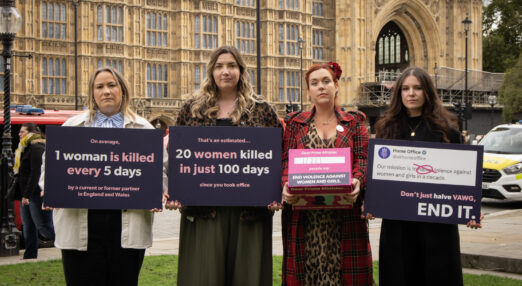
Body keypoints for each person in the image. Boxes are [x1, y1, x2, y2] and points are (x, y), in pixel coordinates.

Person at [39, 66, 168, 286]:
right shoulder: (71, 127)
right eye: (100, 86)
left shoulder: (144, 128)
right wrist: (49, 189)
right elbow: (49, 168)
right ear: (92, 93)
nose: (106, 91)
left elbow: (161, 170)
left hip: (127, 223)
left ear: (123, 90)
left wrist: (158, 192)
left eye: (111, 85)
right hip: (80, 221)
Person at [167, 46, 282, 286]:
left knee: (247, 276)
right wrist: (174, 191)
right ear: (211, 71)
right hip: (204, 213)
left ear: (241, 70)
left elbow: (278, 159)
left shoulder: (262, 109)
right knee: (203, 276)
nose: (225, 71)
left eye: (231, 65)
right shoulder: (191, 109)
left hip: (249, 213)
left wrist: (276, 192)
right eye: (219, 66)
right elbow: (178, 159)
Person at [373, 66, 482, 286]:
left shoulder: (446, 130)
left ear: (427, 92)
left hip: (436, 229)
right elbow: (379, 181)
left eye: (417, 88)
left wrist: (470, 209)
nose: (411, 93)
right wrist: (372, 202)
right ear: (399, 93)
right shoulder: (387, 129)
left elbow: (461, 181)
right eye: (405, 88)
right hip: (398, 228)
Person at [281, 62, 373, 285]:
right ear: (308, 90)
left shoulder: (354, 121)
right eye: (314, 83)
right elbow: (286, 162)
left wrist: (358, 180)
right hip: (305, 218)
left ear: (336, 85)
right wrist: (285, 186)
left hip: (345, 217)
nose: (321, 87)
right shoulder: (295, 123)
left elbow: (363, 158)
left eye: (326, 81)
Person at [15, 122, 55, 259]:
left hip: (35, 194)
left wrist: (27, 195)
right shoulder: (25, 148)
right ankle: (30, 255)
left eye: (22, 132)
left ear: (31, 133)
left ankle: (66, 244)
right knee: (28, 225)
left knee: (43, 226)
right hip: (26, 194)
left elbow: (36, 173)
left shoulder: (36, 147)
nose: (19, 134)